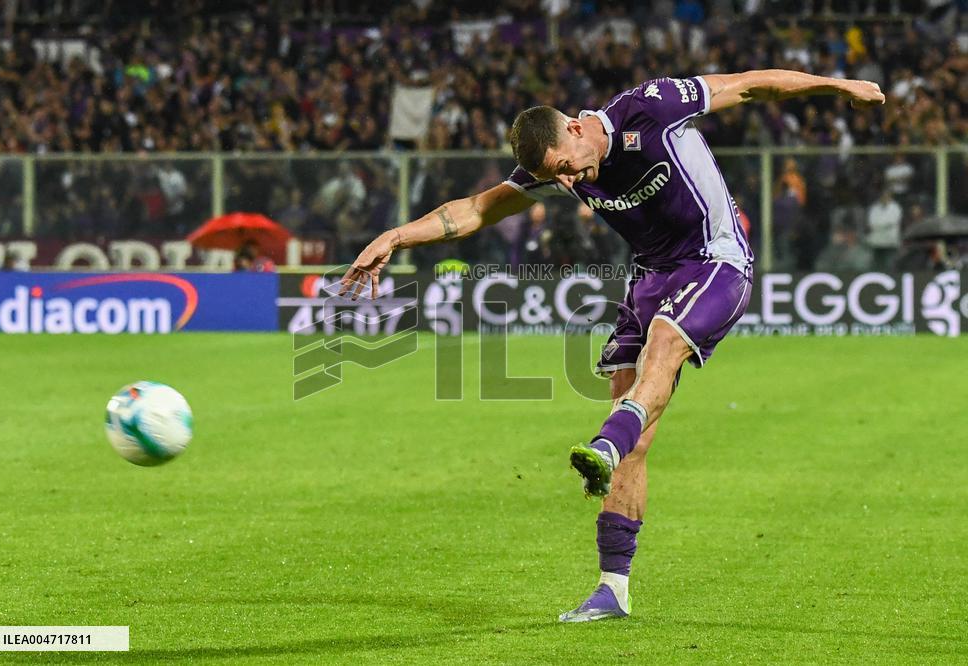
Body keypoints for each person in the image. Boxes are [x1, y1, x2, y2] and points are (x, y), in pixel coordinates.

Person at [339, 69, 885, 623]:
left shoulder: (649, 107)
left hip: (716, 259)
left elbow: (748, 86)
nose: (569, 181)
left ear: (576, 129)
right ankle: (612, 587)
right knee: (636, 432)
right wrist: (396, 236)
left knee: (664, 345)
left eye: (565, 167)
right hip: (651, 275)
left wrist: (838, 87)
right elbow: (477, 209)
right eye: (556, 177)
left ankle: (604, 444)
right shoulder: (559, 167)